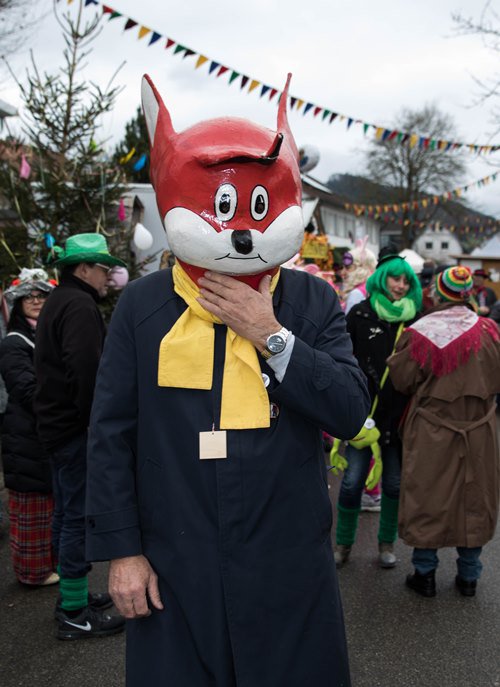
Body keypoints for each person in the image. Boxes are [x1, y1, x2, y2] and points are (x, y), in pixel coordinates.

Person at [85, 73, 370, 687]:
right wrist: (122, 552)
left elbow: (349, 410)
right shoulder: (143, 307)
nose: (241, 228)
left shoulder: (312, 302)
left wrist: (271, 334)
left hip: (286, 559)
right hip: (174, 561)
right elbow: (111, 434)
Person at [34, 233, 127, 640]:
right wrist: (97, 423)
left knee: (65, 512)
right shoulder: (79, 305)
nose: (108, 277)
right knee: (76, 516)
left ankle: (74, 594)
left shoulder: (60, 299)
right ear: (83, 269)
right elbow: (86, 370)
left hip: (55, 426)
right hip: (74, 428)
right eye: (103, 269)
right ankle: (73, 611)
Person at [387, 265, 500, 597]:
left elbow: (402, 380)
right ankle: (469, 577)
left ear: (438, 293)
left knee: (428, 496)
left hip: (433, 429)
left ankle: (424, 574)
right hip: (480, 428)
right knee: (475, 498)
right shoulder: (490, 330)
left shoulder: (420, 332)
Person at [333, 255, 422, 568]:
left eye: (406, 281)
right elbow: (342, 358)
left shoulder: (415, 319)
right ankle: (343, 545)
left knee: (394, 484)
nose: (400, 286)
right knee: (352, 481)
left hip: (399, 417)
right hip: (363, 414)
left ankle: (386, 545)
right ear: (382, 279)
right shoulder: (361, 313)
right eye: (395, 279)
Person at [0, 268, 58, 586]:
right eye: (29, 297)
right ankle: (32, 572)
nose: (35, 301)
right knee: (32, 507)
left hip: (44, 434)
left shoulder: (47, 335)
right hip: (25, 435)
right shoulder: (13, 344)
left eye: (41, 296)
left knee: (51, 504)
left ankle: (51, 563)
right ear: (19, 304)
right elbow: (25, 390)